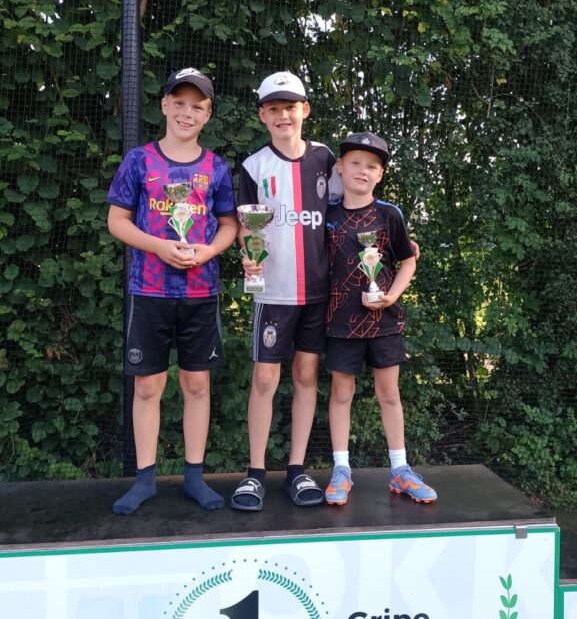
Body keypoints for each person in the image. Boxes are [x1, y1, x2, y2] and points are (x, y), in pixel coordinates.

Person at [106, 67, 238, 515]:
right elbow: (117, 221)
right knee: (147, 387)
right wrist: (159, 246)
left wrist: (208, 251)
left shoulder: (216, 167)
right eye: (179, 103)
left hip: (200, 291)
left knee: (197, 384)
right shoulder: (139, 161)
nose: (187, 113)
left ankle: (194, 478)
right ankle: (145, 480)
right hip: (149, 290)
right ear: (163, 105)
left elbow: (229, 225)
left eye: (197, 106)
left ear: (208, 114)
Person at [230, 71, 342, 511]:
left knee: (307, 376)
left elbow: (347, 209)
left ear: (305, 110)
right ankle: (255, 473)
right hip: (273, 292)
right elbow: (246, 226)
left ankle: (297, 468)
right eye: (274, 108)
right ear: (262, 115)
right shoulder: (254, 166)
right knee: (264, 378)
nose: (283, 115)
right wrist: (248, 253)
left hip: (317, 292)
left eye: (290, 107)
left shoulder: (326, 158)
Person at [324, 131, 437, 505]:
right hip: (339, 320)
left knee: (389, 393)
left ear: (380, 174)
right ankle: (341, 470)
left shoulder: (390, 215)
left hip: (384, 322)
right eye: (355, 162)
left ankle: (400, 470)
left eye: (372, 166)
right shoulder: (326, 216)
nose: (362, 170)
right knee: (342, 393)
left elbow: (408, 261)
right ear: (340, 167)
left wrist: (392, 296)